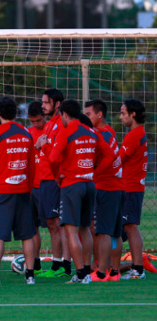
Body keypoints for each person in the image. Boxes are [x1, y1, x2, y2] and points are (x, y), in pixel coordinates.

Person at [48, 100, 114, 284]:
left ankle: (81, 274)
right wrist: (94, 173)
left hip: (72, 185)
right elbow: (110, 156)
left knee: (71, 231)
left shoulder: (66, 131)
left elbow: (53, 159)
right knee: (85, 229)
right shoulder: (92, 132)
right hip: (89, 184)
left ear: (65, 115)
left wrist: (57, 176)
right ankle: (86, 271)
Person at [0, 97, 36, 285]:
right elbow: (31, 166)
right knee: (27, 234)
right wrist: (29, 189)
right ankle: (30, 275)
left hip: (1, 190)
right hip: (22, 190)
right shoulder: (26, 133)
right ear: (15, 113)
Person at [84, 99, 125, 281]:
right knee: (115, 232)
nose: (87, 117)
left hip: (106, 187)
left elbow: (107, 159)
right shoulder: (109, 132)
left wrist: (93, 174)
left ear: (99, 115)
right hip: (116, 187)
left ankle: (101, 272)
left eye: (89, 114)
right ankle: (114, 272)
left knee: (103, 232)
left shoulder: (102, 134)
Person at [36, 88, 71, 278]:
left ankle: (62, 265)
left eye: (46, 102)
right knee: (51, 223)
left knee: (58, 223)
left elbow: (56, 155)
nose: (43, 106)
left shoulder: (61, 125)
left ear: (57, 104)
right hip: (45, 179)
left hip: (54, 179)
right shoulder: (50, 124)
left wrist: (44, 145)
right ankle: (60, 264)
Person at [119, 99, 149, 280]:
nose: (121, 117)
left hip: (130, 187)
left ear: (133, 114)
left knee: (130, 226)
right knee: (127, 227)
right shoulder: (137, 133)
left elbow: (118, 160)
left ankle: (138, 269)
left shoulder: (134, 135)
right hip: (132, 186)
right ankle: (130, 266)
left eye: (123, 113)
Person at [27, 101, 47, 275]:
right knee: (32, 227)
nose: (36, 124)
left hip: (48, 185)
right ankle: (35, 263)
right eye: (33, 121)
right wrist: (36, 147)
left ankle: (62, 264)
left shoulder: (52, 131)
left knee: (58, 226)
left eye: (39, 120)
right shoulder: (27, 134)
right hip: (31, 187)